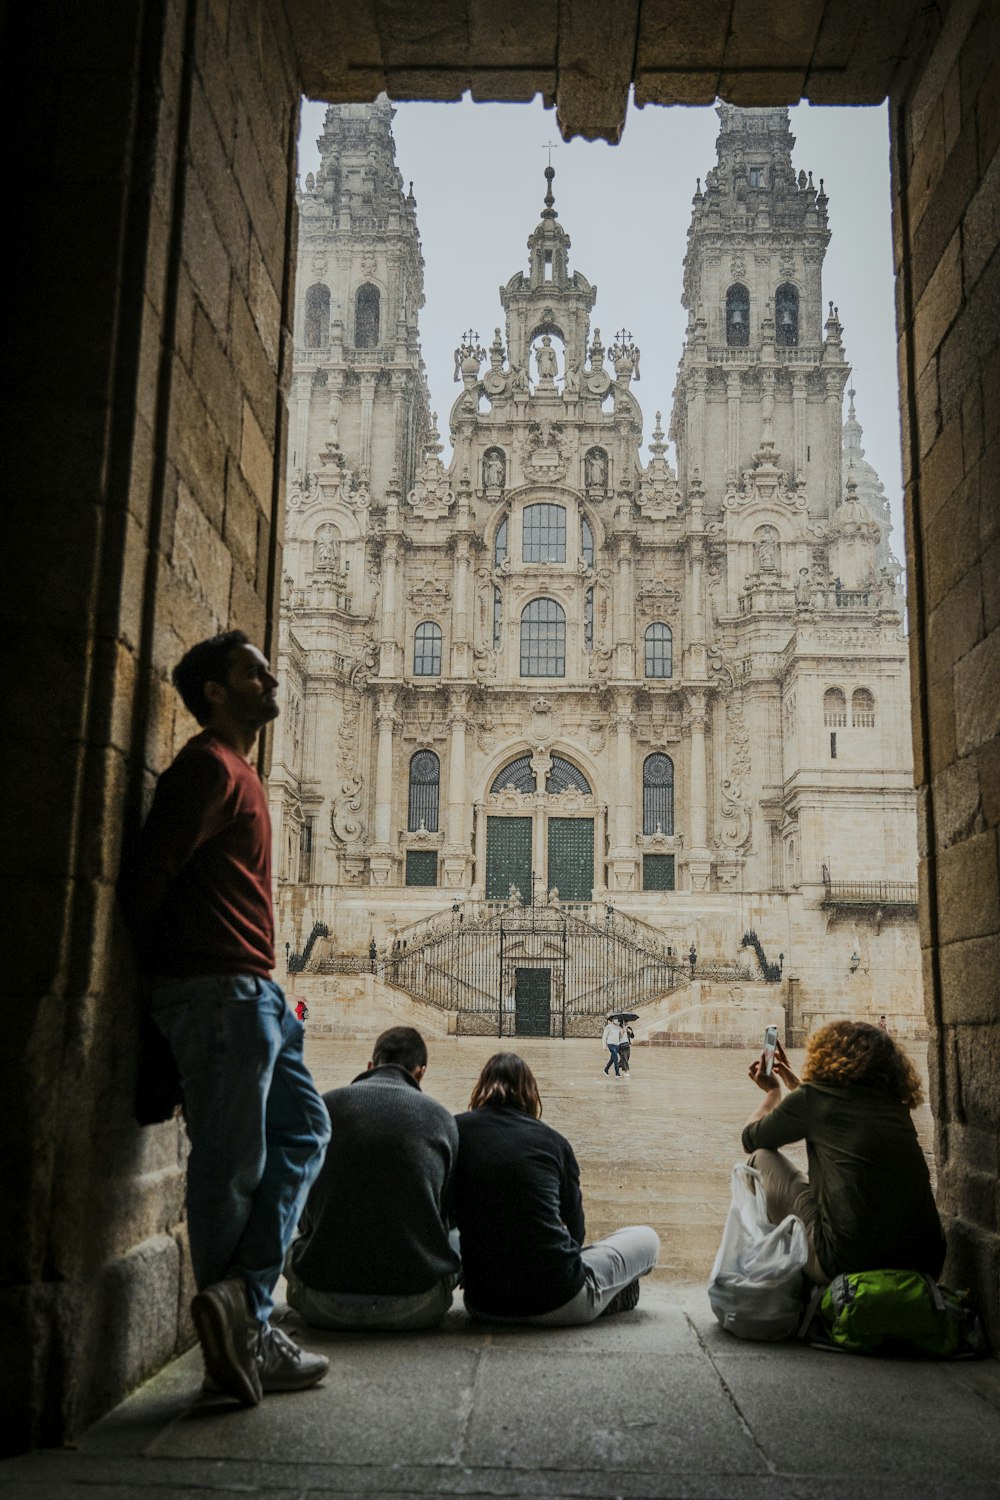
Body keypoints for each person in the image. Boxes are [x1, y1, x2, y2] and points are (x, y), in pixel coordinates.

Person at [120, 631, 332, 1406]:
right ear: (214, 690)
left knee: (308, 1129)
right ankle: (240, 1342)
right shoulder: (207, 768)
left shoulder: (241, 771)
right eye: (255, 670)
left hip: (255, 991)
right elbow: (146, 876)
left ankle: (239, 1299)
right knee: (230, 1165)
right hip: (218, 991)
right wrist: (159, 997)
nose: (271, 676)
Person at [453, 1053, 660, 1323]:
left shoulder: (455, 1131)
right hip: (558, 1299)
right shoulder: (553, 1142)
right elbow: (576, 1233)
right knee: (647, 1239)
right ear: (530, 1093)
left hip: (482, 1304)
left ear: (481, 1088)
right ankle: (604, 1295)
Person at [742, 1021, 946, 1285]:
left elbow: (751, 1138)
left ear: (825, 1055)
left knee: (760, 1159)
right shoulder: (895, 1105)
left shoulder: (813, 1098)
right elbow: (839, 1110)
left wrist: (773, 1092)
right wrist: (797, 1085)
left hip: (845, 1262)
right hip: (926, 1263)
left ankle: (776, 1277)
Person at [285, 1027, 460, 1331]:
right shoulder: (440, 1118)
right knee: (459, 1239)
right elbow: (447, 1215)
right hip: (416, 1305)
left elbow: (300, 1211)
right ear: (420, 1073)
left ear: (370, 1065)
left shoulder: (322, 1109)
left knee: (285, 1230)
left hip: (321, 1302)